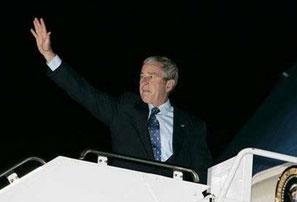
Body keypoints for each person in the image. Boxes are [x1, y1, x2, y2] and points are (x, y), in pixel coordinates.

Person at [30, 17, 213, 183]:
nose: (144, 81)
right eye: (142, 76)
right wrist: (49, 56)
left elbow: (203, 172)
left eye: (151, 76)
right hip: (131, 200)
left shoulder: (192, 125)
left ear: (169, 84)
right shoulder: (125, 109)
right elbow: (85, 93)